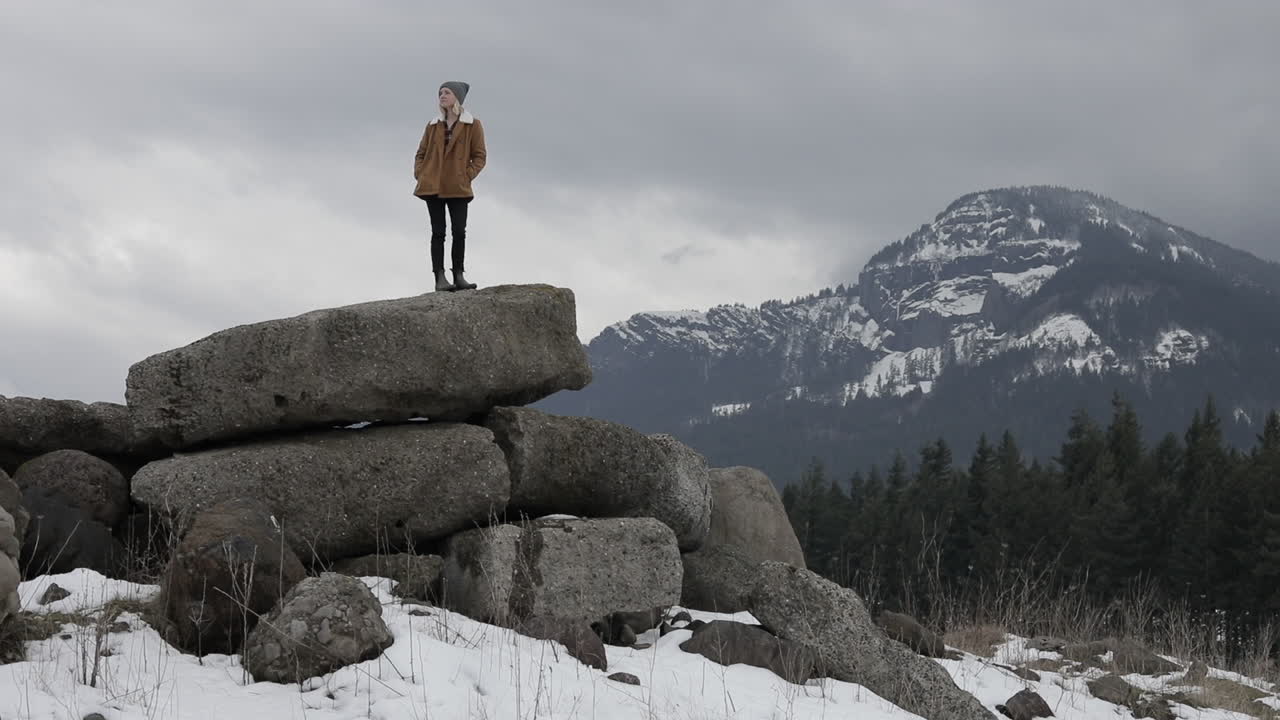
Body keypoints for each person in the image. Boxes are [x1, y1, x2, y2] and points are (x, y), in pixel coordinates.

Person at [413, 80, 487, 291]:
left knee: (459, 231)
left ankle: (459, 275)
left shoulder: (473, 125)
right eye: (440, 93)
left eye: (446, 92)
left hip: (458, 187)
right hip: (432, 186)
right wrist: (421, 174)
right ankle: (440, 278)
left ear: (457, 97)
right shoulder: (433, 124)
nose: (442, 96)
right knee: (438, 232)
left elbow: (480, 156)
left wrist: (467, 176)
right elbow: (420, 153)